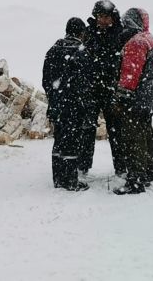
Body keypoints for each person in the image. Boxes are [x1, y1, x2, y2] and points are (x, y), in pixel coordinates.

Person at [111, 8, 153, 195]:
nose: (124, 25)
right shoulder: (151, 39)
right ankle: (148, 172)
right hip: (149, 95)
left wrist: (120, 98)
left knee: (133, 138)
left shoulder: (136, 43)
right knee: (146, 135)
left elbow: (130, 75)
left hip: (136, 97)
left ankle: (135, 180)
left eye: (127, 21)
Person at [42, 17, 94, 191]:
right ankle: (71, 181)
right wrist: (83, 101)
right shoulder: (81, 51)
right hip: (74, 105)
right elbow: (86, 82)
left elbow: (46, 80)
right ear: (81, 32)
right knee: (72, 141)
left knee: (59, 140)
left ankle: (58, 179)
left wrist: (54, 96)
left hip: (57, 104)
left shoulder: (52, 50)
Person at [85, 0, 126, 176]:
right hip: (92, 89)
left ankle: (121, 167)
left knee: (116, 130)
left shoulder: (120, 34)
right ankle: (83, 166)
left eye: (106, 16)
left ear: (112, 17)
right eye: (100, 16)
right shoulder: (89, 33)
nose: (102, 20)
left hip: (112, 89)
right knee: (87, 130)